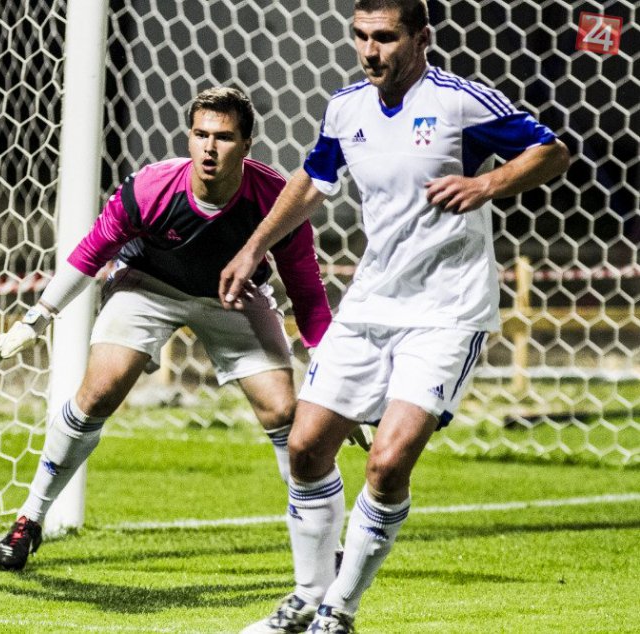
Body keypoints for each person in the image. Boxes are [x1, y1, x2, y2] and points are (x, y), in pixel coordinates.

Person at [221, 1, 570, 632]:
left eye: (384, 38)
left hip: (447, 313)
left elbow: (552, 152)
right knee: (304, 448)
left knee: (387, 461)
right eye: (360, 37)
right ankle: (306, 597)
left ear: (419, 37)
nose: (370, 50)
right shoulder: (346, 106)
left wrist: (487, 185)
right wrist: (253, 247)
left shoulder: (460, 103)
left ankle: (339, 612)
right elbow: (312, 179)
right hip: (371, 305)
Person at [0, 87, 334, 571]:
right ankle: (30, 519)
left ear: (247, 146)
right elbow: (91, 252)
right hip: (148, 286)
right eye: (200, 134)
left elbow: (307, 290)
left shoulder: (276, 199)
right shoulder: (149, 188)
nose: (209, 147)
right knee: (99, 392)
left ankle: (320, 549)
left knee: (285, 413)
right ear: (188, 137)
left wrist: (333, 374)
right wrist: (37, 320)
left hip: (234, 298)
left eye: (224, 137)